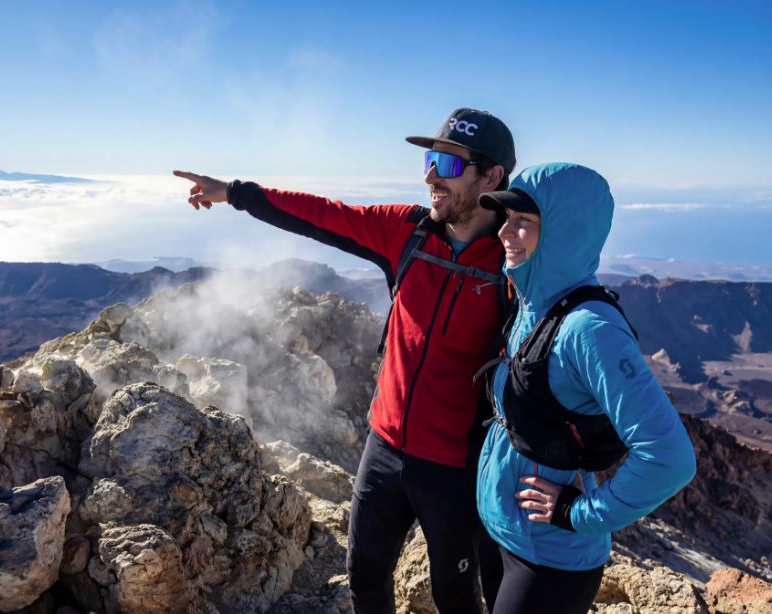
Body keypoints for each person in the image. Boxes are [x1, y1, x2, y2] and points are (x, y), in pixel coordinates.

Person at [174, 108, 516, 613]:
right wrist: (236, 193)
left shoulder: (513, 264)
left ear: (492, 177)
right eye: (428, 160)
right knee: (364, 577)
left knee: (455, 597)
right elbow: (324, 215)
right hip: (384, 448)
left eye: (446, 164)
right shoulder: (408, 233)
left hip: (454, 467)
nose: (428, 176)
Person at [474, 162, 697, 614]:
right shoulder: (534, 305)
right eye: (507, 220)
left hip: (551, 559)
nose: (504, 234)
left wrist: (578, 514)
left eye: (524, 223)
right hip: (504, 531)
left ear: (564, 231)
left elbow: (670, 458)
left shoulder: (590, 329)